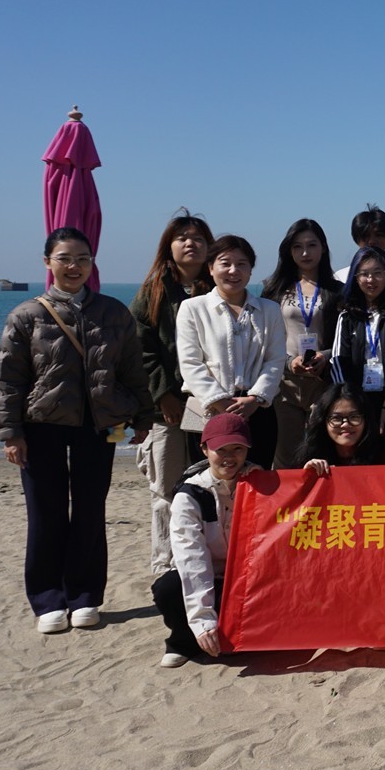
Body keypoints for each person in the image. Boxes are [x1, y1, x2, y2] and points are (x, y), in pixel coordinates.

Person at [0, 226, 153, 634]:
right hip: (41, 426)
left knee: (89, 511)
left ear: (92, 264)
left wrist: (142, 418)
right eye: (64, 258)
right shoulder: (26, 316)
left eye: (83, 259)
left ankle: (84, 596)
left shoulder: (113, 312)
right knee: (45, 513)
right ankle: (48, 599)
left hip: (98, 426)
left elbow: (133, 371)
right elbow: (10, 381)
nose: (74, 266)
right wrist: (11, 433)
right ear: (47, 262)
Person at [131, 211, 214, 574]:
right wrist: (163, 394)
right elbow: (140, 349)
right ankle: (165, 563)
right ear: (169, 246)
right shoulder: (153, 292)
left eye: (198, 238)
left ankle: (204, 558)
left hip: (206, 402)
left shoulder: (218, 288)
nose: (190, 244)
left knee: (207, 480)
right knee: (165, 487)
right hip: (165, 407)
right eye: (182, 238)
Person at [176, 235, 286, 469]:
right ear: (211, 268)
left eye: (242, 264)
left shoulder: (270, 310)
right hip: (203, 407)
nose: (233, 271)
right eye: (225, 263)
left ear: (250, 270)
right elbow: (190, 363)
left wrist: (255, 399)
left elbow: (275, 360)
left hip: (257, 409)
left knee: (256, 478)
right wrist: (220, 401)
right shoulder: (192, 308)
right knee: (203, 479)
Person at [152, 412, 253, 667]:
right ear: (205, 449)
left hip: (244, 580)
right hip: (208, 575)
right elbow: (192, 559)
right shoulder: (190, 495)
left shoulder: (260, 483)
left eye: (237, 449)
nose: (230, 457)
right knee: (167, 588)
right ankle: (182, 641)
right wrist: (202, 620)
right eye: (221, 449)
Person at [260, 219, 344, 469]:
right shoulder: (274, 289)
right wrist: (289, 362)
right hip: (285, 383)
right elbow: (264, 337)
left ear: (323, 248)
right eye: (297, 246)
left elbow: (346, 338)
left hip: (324, 382)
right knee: (285, 456)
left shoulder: (338, 291)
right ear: (288, 251)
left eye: (311, 245)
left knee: (322, 452)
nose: (305, 253)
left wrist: (325, 356)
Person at [331, 246, 385, 464]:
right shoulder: (347, 316)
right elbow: (339, 361)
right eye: (364, 274)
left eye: (378, 273)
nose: (371, 280)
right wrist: (354, 405)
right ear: (355, 278)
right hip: (358, 403)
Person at [299, 383, 385, 475]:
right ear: (323, 421)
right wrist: (308, 474)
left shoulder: (384, 458)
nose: (345, 425)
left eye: (354, 417)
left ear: (366, 420)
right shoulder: (311, 456)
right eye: (336, 418)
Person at [333, 205, 385, 306]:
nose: (372, 241)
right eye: (365, 236)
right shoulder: (340, 277)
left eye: (379, 235)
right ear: (357, 239)